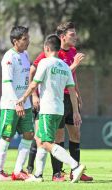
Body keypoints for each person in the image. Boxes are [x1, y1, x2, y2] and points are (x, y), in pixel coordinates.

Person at [26, 22, 93, 182]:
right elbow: (34, 70)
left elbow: (71, 76)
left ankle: (73, 171)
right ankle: (56, 173)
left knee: (75, 133)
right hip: (53, 99)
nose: (75, 37)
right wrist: (34, 95)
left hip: (69, 98)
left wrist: (77, 93)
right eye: (72, 34)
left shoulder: (73, 52)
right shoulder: (49, 53)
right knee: (53, 136)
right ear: (62, 37)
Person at [0, 26, 34, 181]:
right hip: (11, 104)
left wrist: (27, 98)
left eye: (28, 38)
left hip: (26, 103)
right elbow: (7, 83)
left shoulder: (25, 55)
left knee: (29, 135)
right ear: (15, 41)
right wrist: (17, 103)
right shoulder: (8, 57)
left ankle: (18, 171)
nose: (28, 41)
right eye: (25, 39)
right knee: (7, 136)